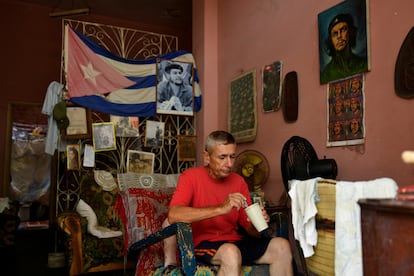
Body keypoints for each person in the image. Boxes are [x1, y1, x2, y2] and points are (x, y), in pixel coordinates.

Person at [166, 130, 293, 275]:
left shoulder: (238, 181)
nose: (230, 164)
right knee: (231, 252)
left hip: (235, 242)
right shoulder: (190, 177)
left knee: (282, 246)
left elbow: (250, 230)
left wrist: (258, 223)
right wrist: (221, 208)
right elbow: (174, 214)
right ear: (206, 157)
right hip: (202, 243)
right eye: (222, 157)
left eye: (232, 157)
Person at [320, 13, 368, 83]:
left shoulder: (362, 64)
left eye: (343, 30)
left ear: (350, 32)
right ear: (331, 40)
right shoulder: (326, 73)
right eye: (335, 33)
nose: (339, 36)